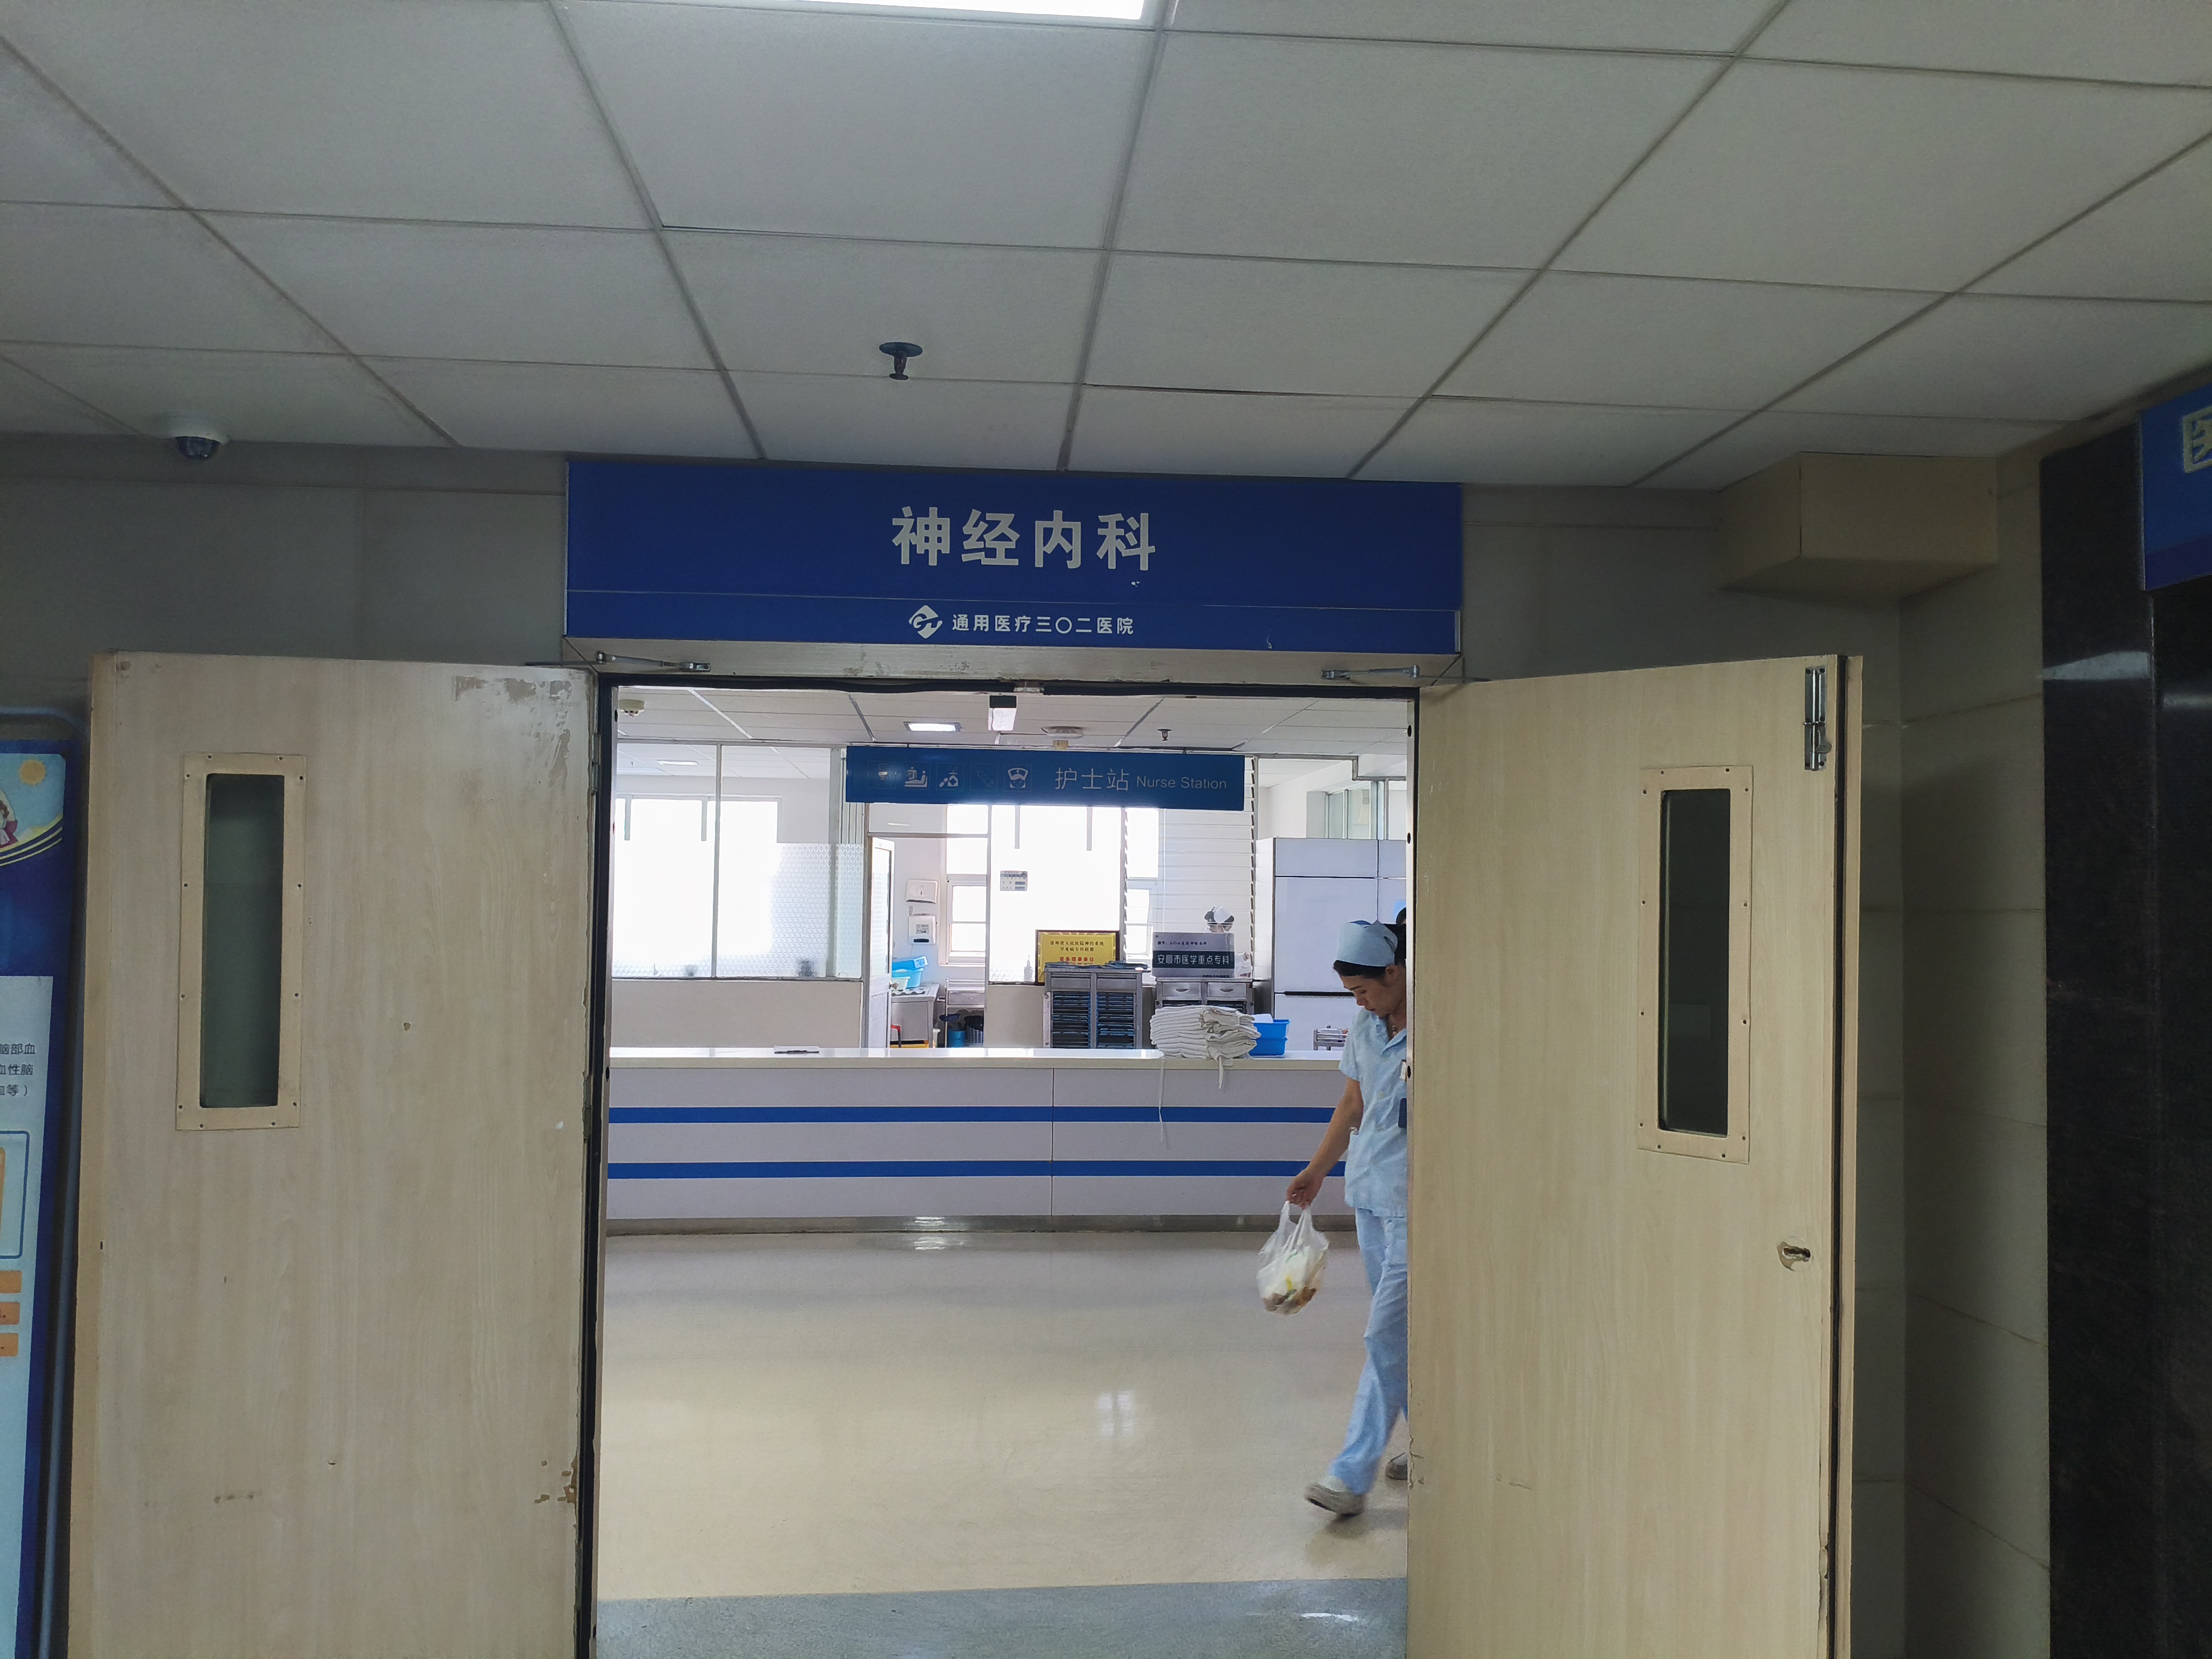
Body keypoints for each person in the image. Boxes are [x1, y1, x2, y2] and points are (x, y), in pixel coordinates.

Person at [1286, 912, 1410, 1519]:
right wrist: (1317, 1170)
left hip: (1419, 1201)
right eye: (1351, 993)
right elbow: (1352, 1103)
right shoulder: (1366, 1027)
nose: (1359, 1002)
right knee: (1405, 1335)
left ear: (1396, 973)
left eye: (1364, 989)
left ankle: (1350, 1473)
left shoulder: (1440, 1024)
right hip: (1369, 1194)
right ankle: (1434, 1442)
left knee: (1385, 1333)